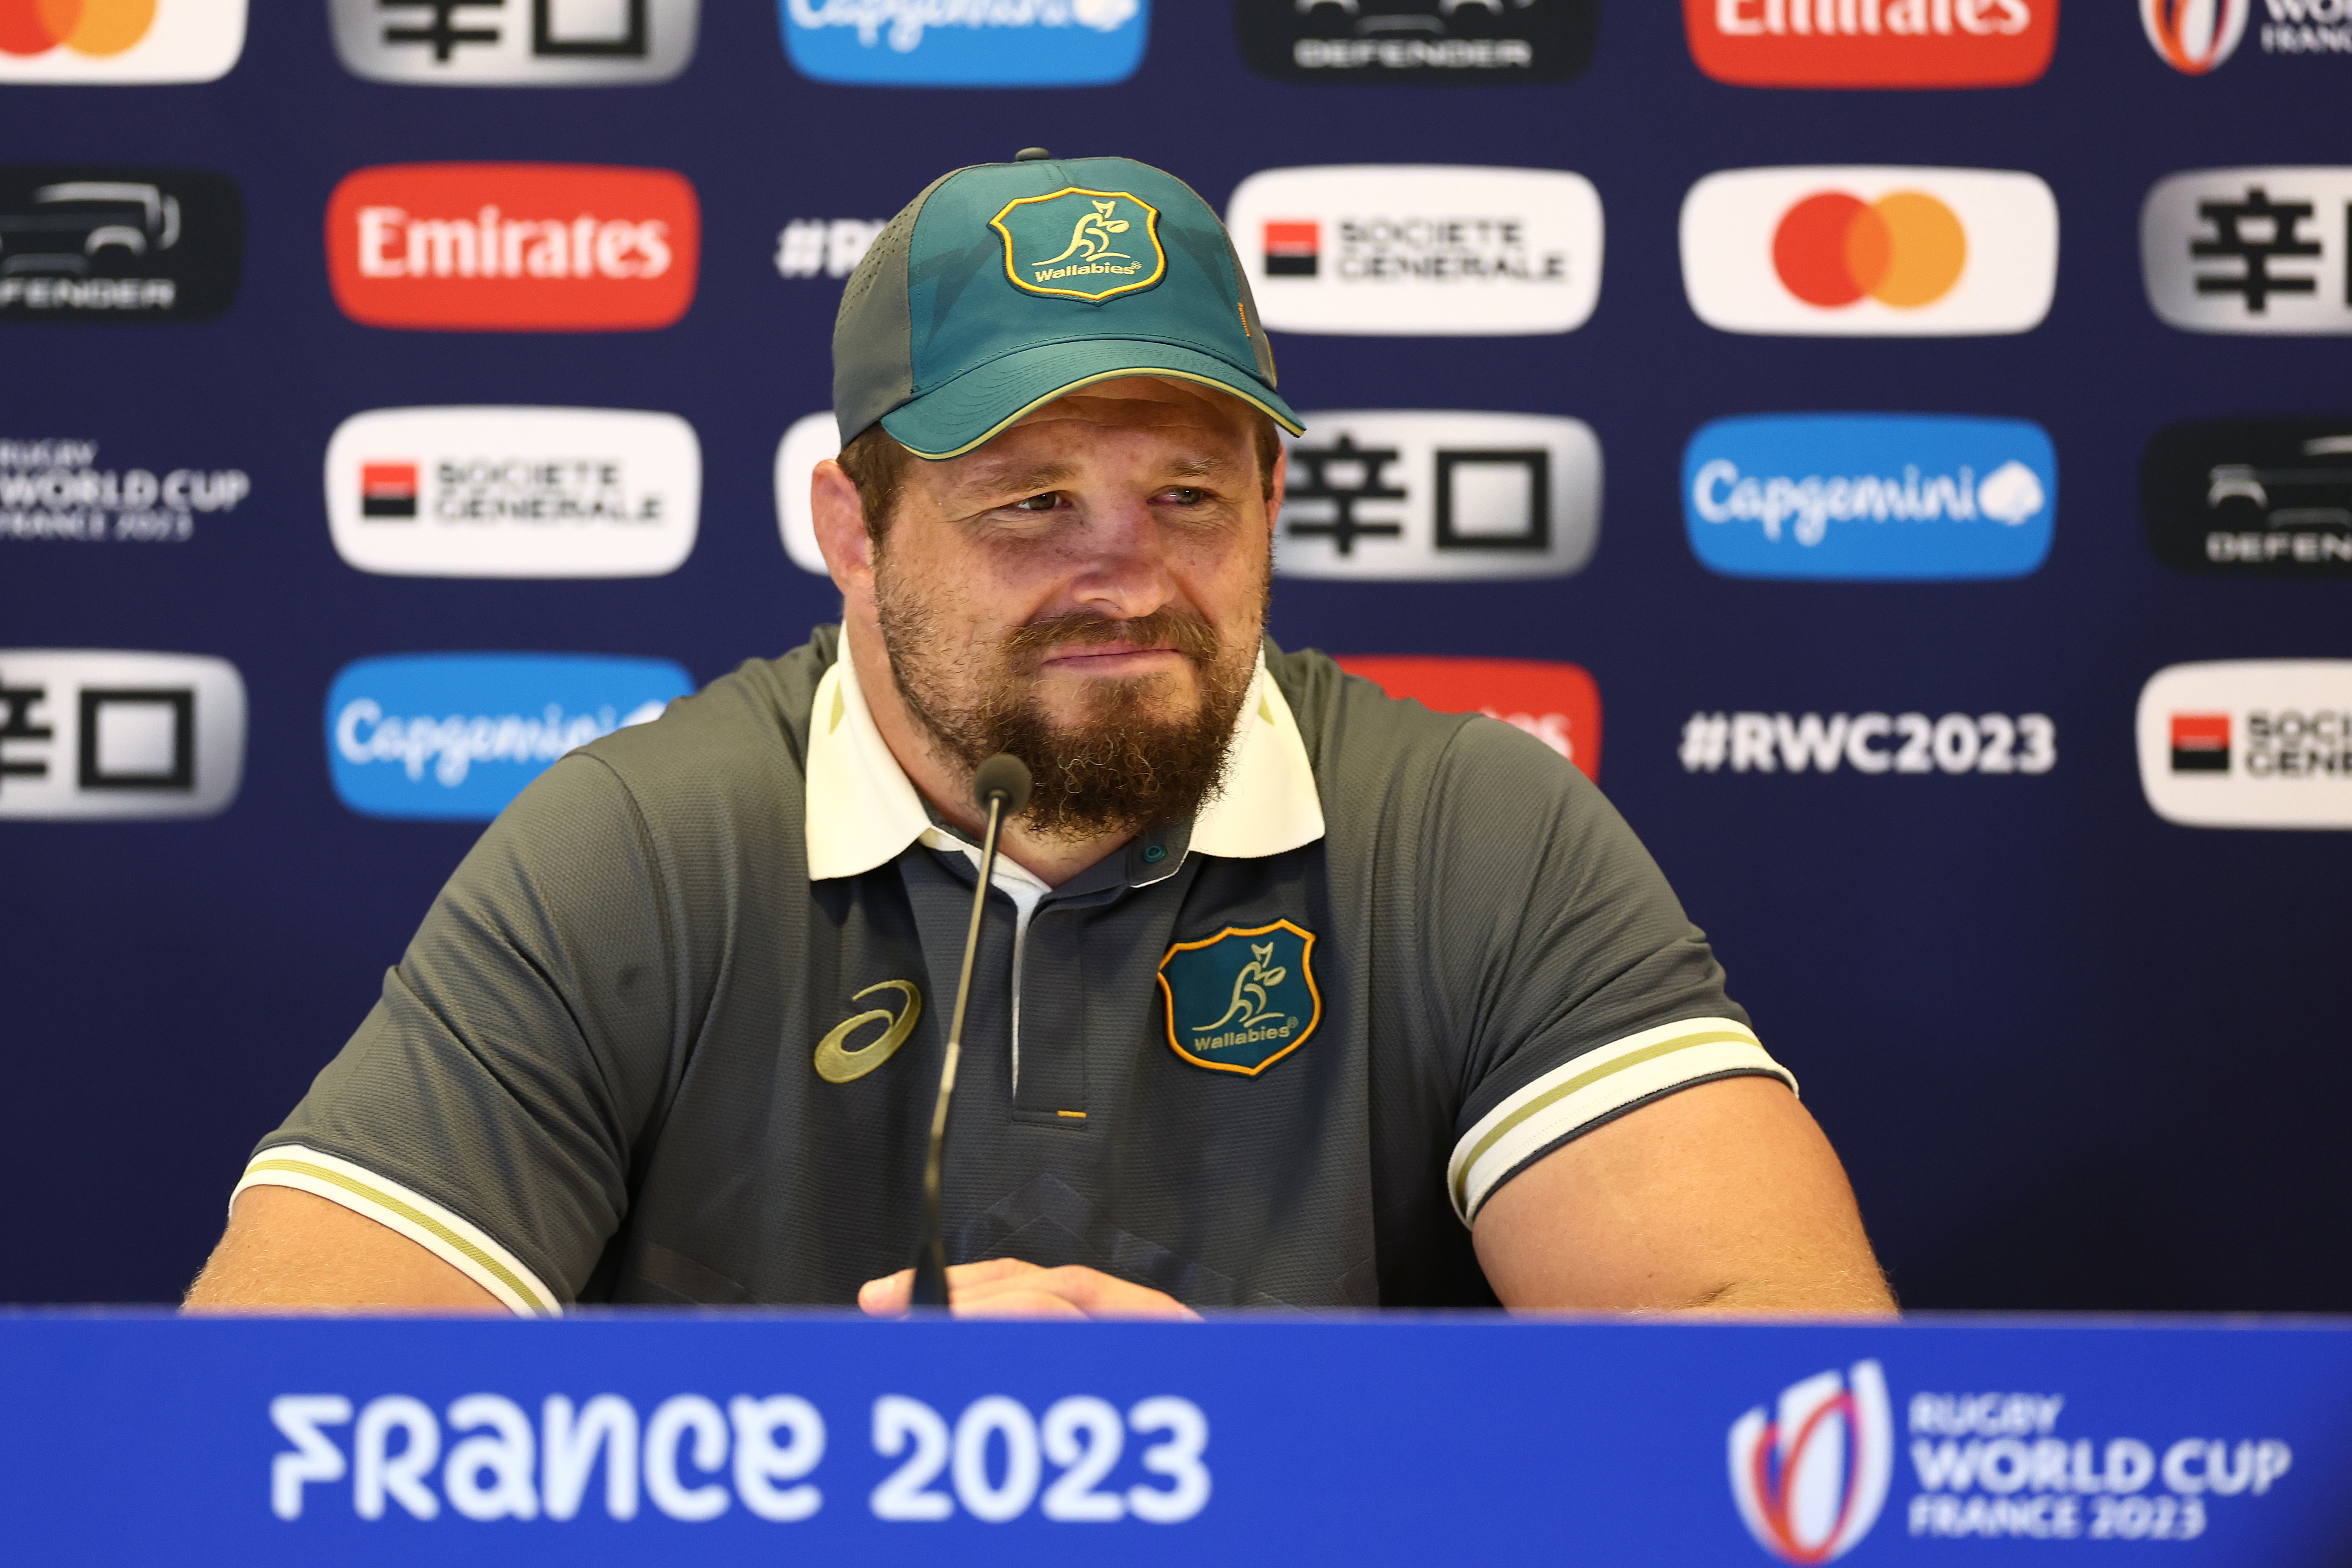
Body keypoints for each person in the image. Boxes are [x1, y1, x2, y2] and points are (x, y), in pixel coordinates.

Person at [186, 152, 1892, 1320]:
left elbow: (1789, 1388)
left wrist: (1208, 1449)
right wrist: (840, 1447)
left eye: (1189, 494)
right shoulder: (640, 848)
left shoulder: (1471, 833)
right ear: (850, 531)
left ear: (1277, 504)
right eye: (1030, 502)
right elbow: (276, 1413)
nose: (1127, 573)